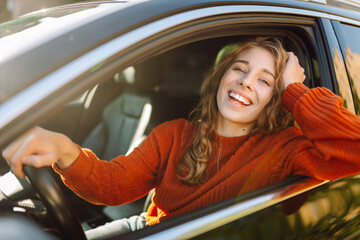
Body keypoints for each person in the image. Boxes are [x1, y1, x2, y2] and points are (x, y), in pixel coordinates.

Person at [3, 37, 360, 239]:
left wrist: (295, 90)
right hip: (151, 228)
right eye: (239, 68)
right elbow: (111, 187)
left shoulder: (285, 150)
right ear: (221, 77)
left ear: (275, 97)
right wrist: (65, 149)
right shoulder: (174, 134)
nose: (247, 82)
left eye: (266, 81)